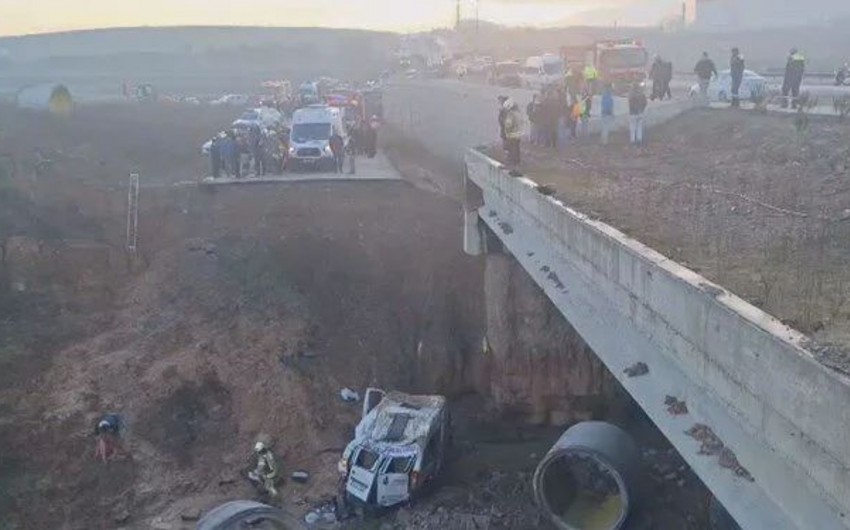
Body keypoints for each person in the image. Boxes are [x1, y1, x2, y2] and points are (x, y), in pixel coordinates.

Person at [502, 98, 523, 166]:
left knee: (510, 150)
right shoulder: (518, 113)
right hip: (518, 134)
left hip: (511, 134)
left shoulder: (511, 114)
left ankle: (510, 163)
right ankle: (516, 163)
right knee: (516, 149)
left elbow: (508, 125)